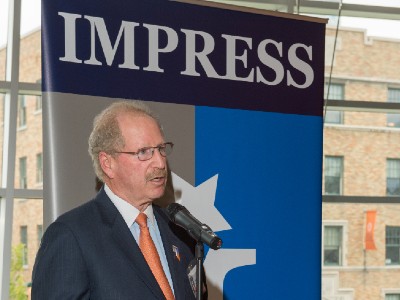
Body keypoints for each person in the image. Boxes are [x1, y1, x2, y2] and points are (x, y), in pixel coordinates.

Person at [31, 100, 205, 299]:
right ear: (108, 163)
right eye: (144, 152)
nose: (160, 162)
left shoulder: (179, 231)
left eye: (161, 149)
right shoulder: (72, 236)